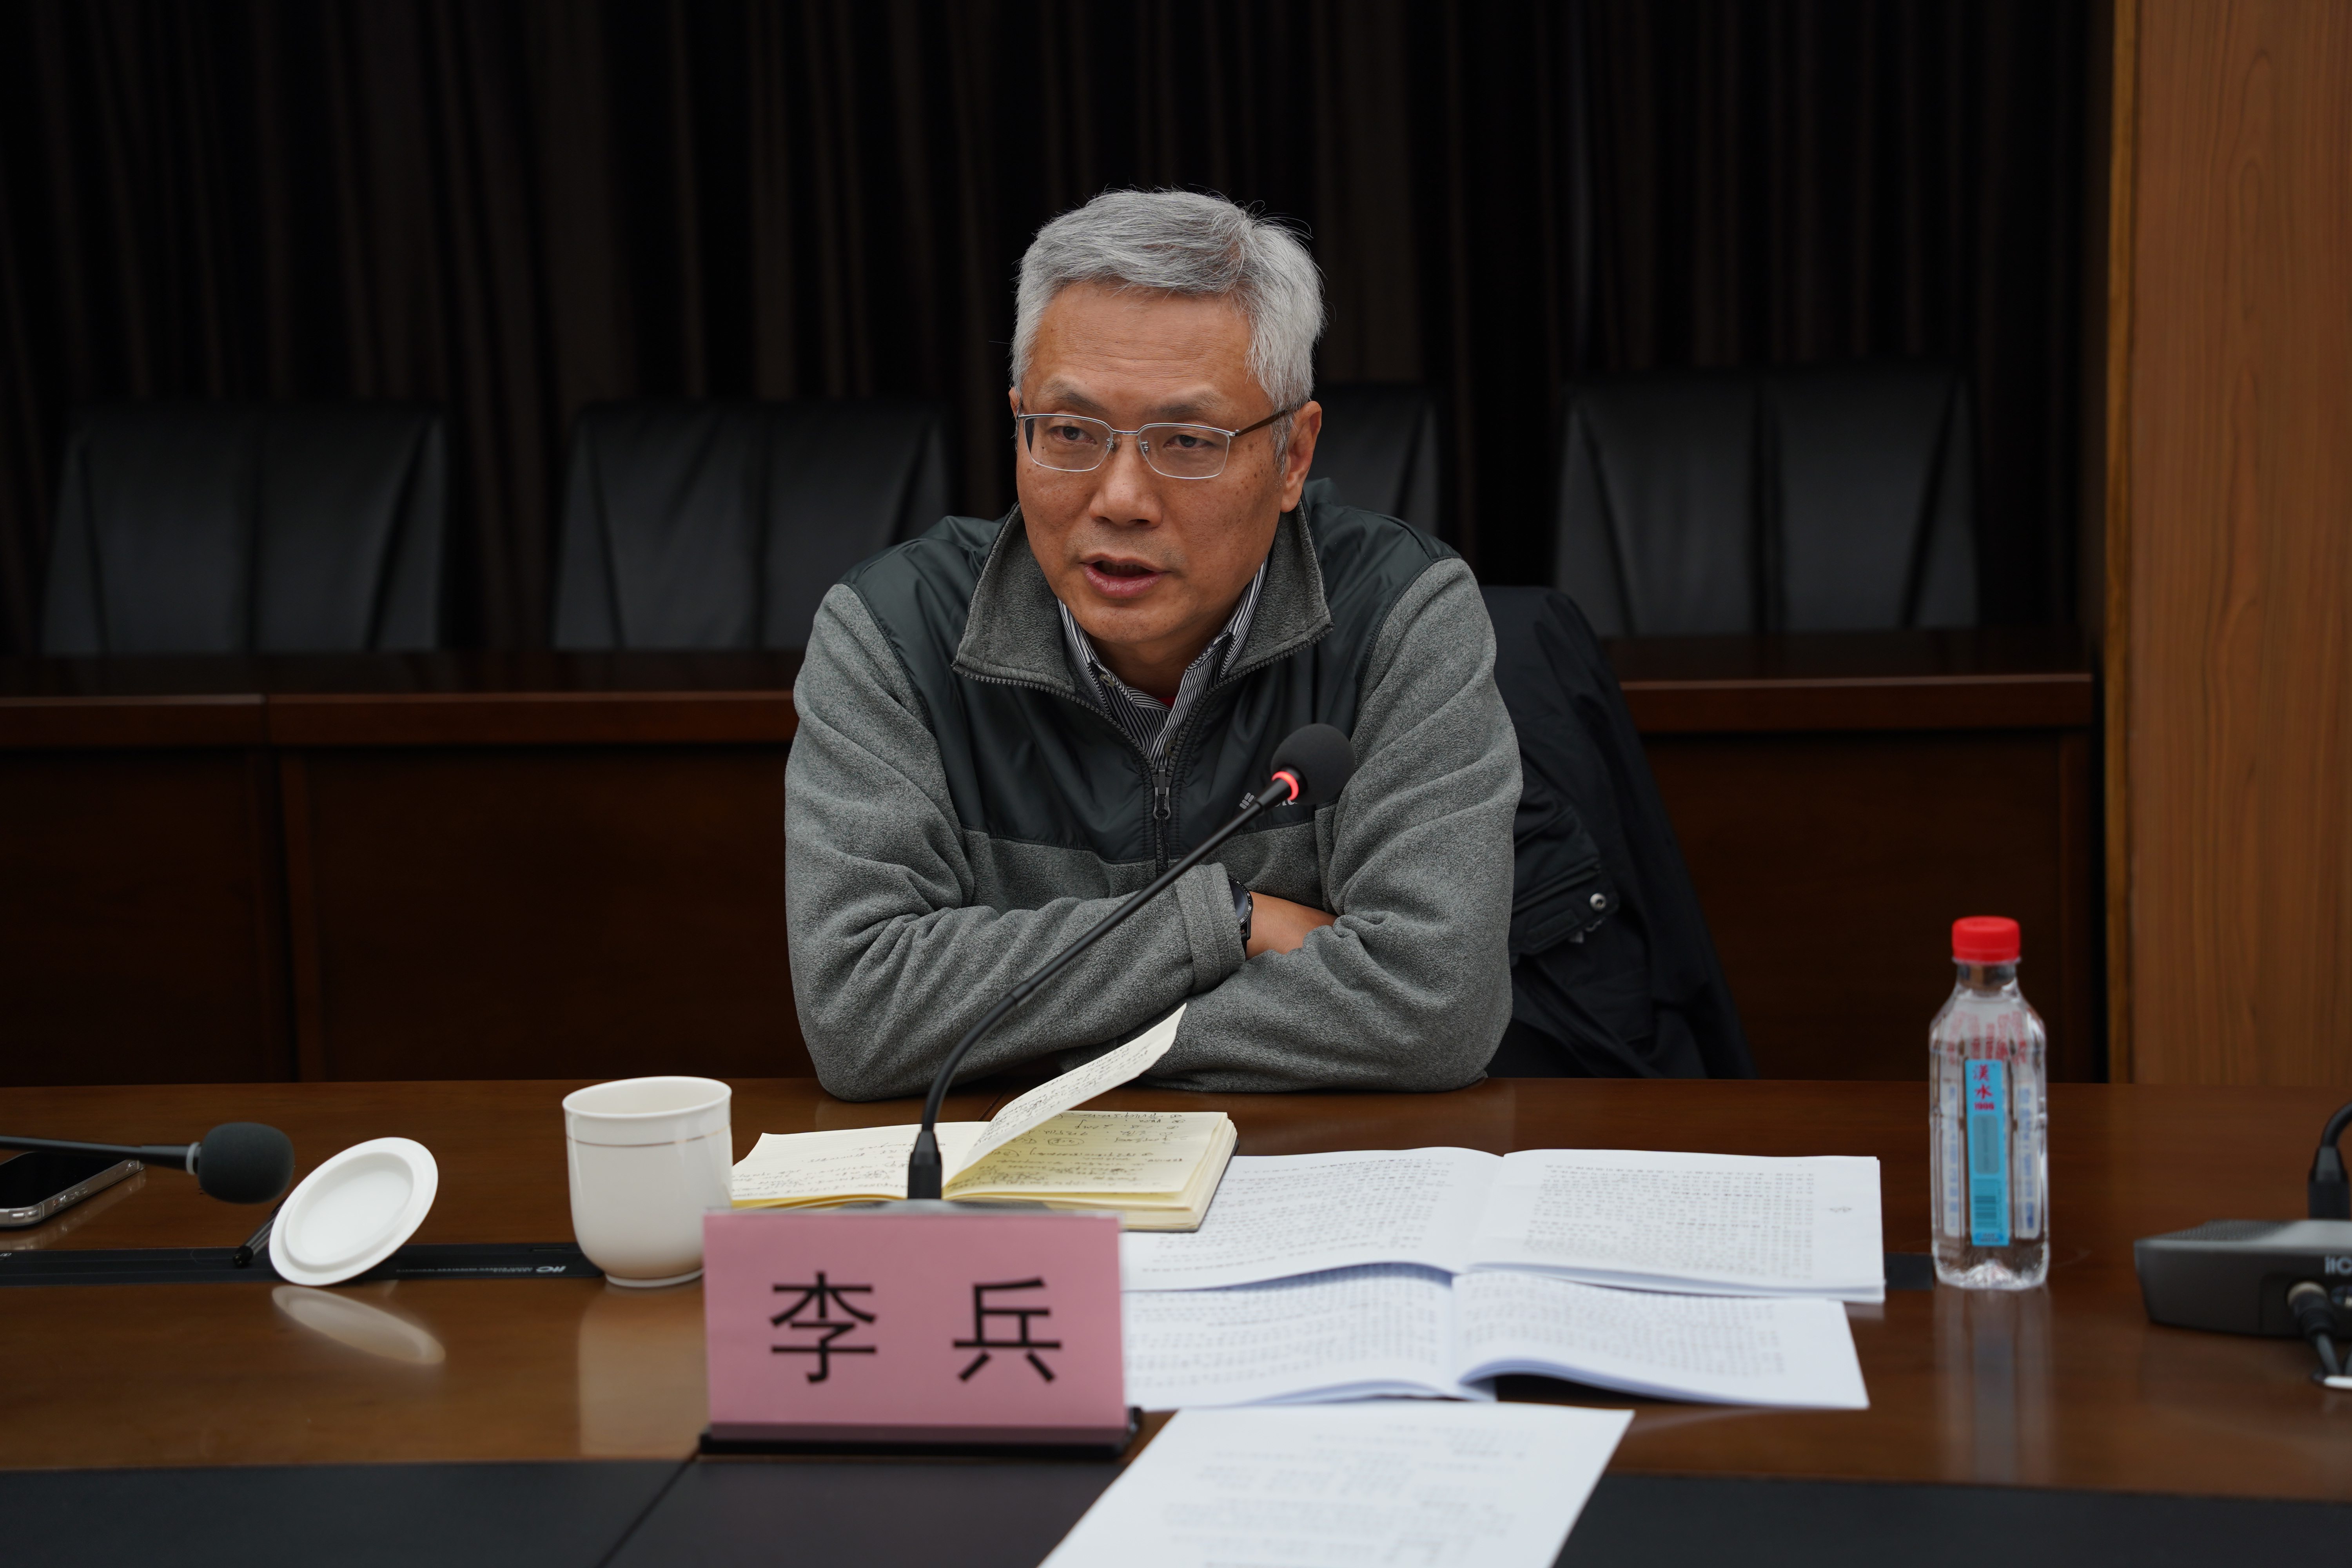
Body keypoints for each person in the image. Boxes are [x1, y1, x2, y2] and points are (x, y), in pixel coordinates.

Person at [785, 189, 1519, 1100]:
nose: (1122, 498)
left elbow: (1437, 1006)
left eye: (1187, 440)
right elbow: (860, 1013)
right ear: (1019, 425)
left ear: (1292, 455)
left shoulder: (1401, 613)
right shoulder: (895, 633)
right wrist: (1223, 919)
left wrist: (1015, 1035)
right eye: (1070, 433)